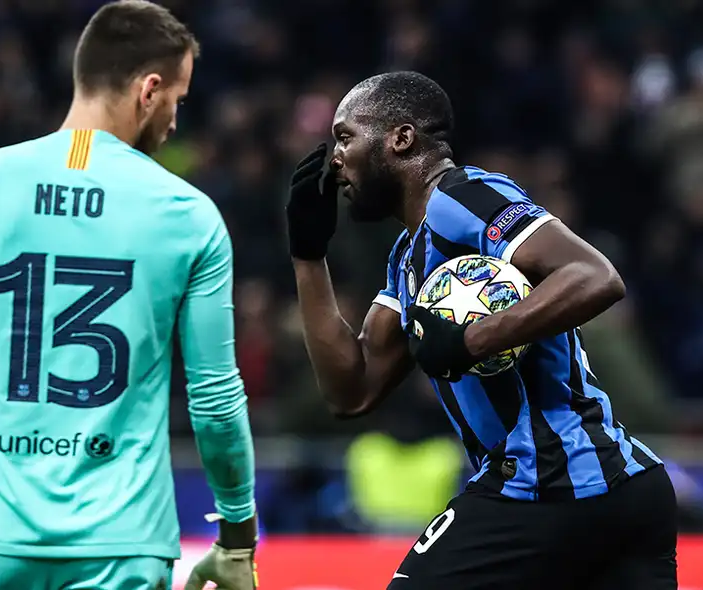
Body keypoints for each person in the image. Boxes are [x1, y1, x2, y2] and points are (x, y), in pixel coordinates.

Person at [0, 2, 258, 589]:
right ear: (149, 91)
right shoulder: (188, 216)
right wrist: (236, 536)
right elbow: (215, 400)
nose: (175, 120)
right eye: (177, 100)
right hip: (123, 542)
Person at [285, 71, 677, 589]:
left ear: (401, 139)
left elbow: (595, 276)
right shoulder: (406, 258)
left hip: (548, 482)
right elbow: (351, 390)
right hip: (619, 489)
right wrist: (308, 255)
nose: (335, 159)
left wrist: (473, 340)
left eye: (345, 137)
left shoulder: (464, 196)